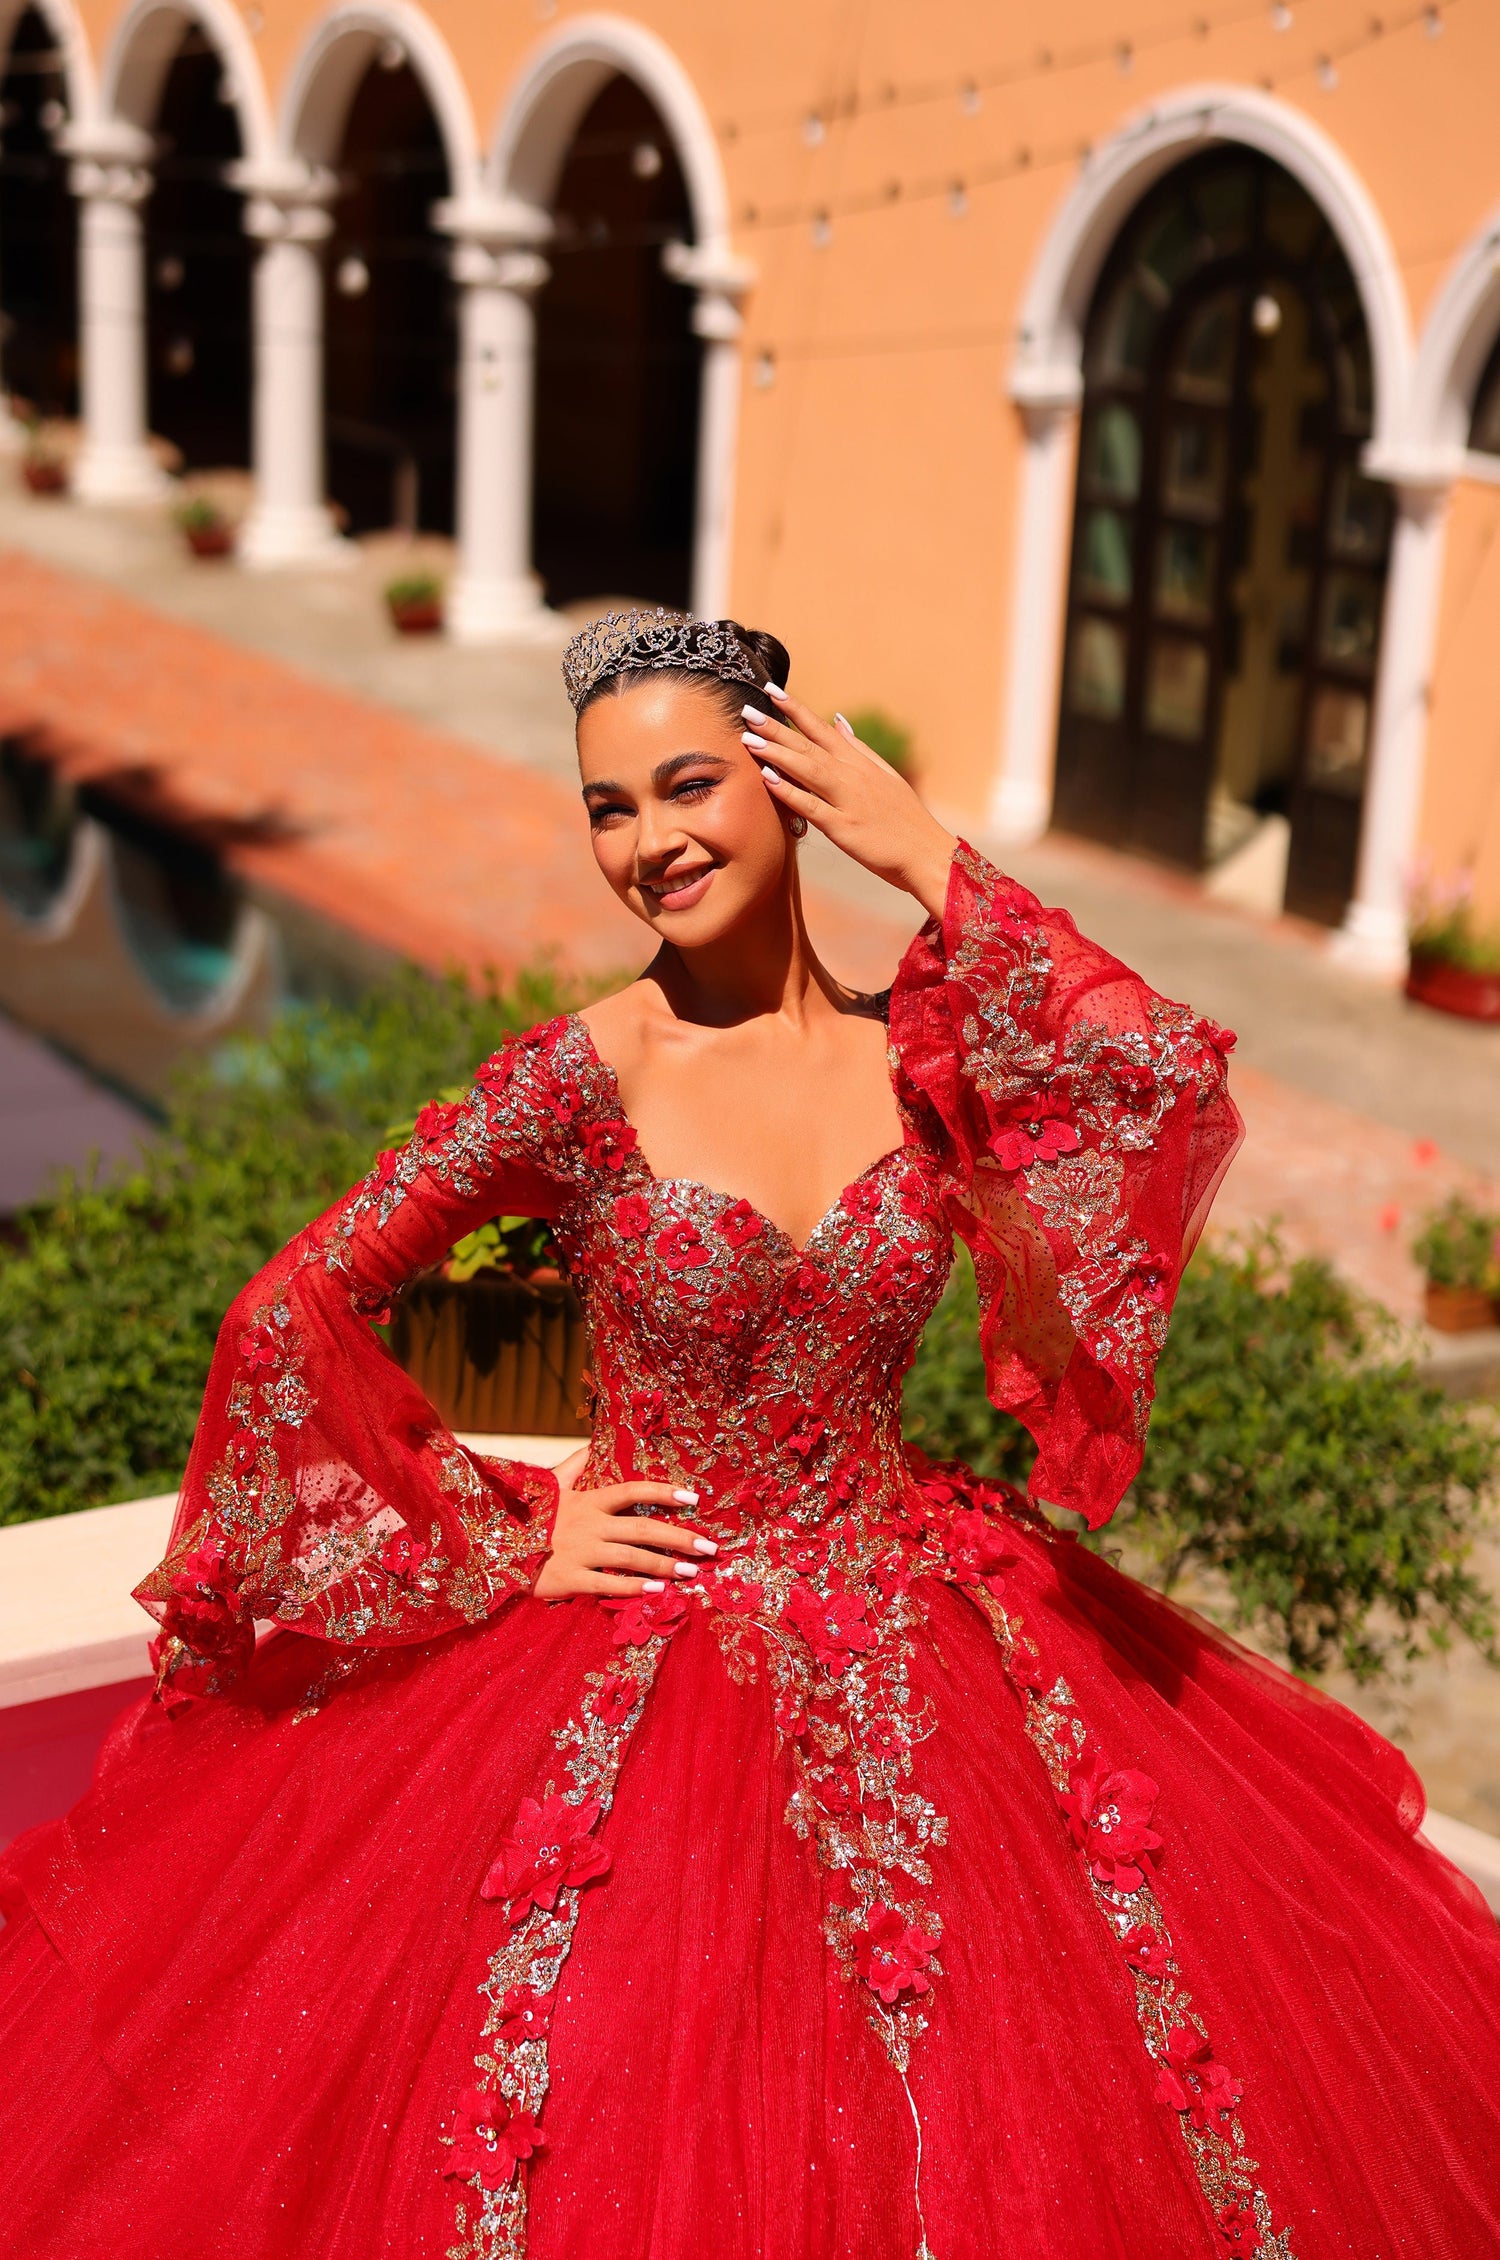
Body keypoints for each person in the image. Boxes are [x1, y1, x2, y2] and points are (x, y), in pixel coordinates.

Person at [1, 609, 1496, 2260]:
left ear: (786, 783)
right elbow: (289, 1313)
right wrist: (508, 1531)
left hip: (933, 1638)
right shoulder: (578, 1079)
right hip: (649, 1668)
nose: (649, 843)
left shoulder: (922, 1056)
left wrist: (929, 858)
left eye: (689, 786)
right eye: (609, 808)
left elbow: (1157, 1085)